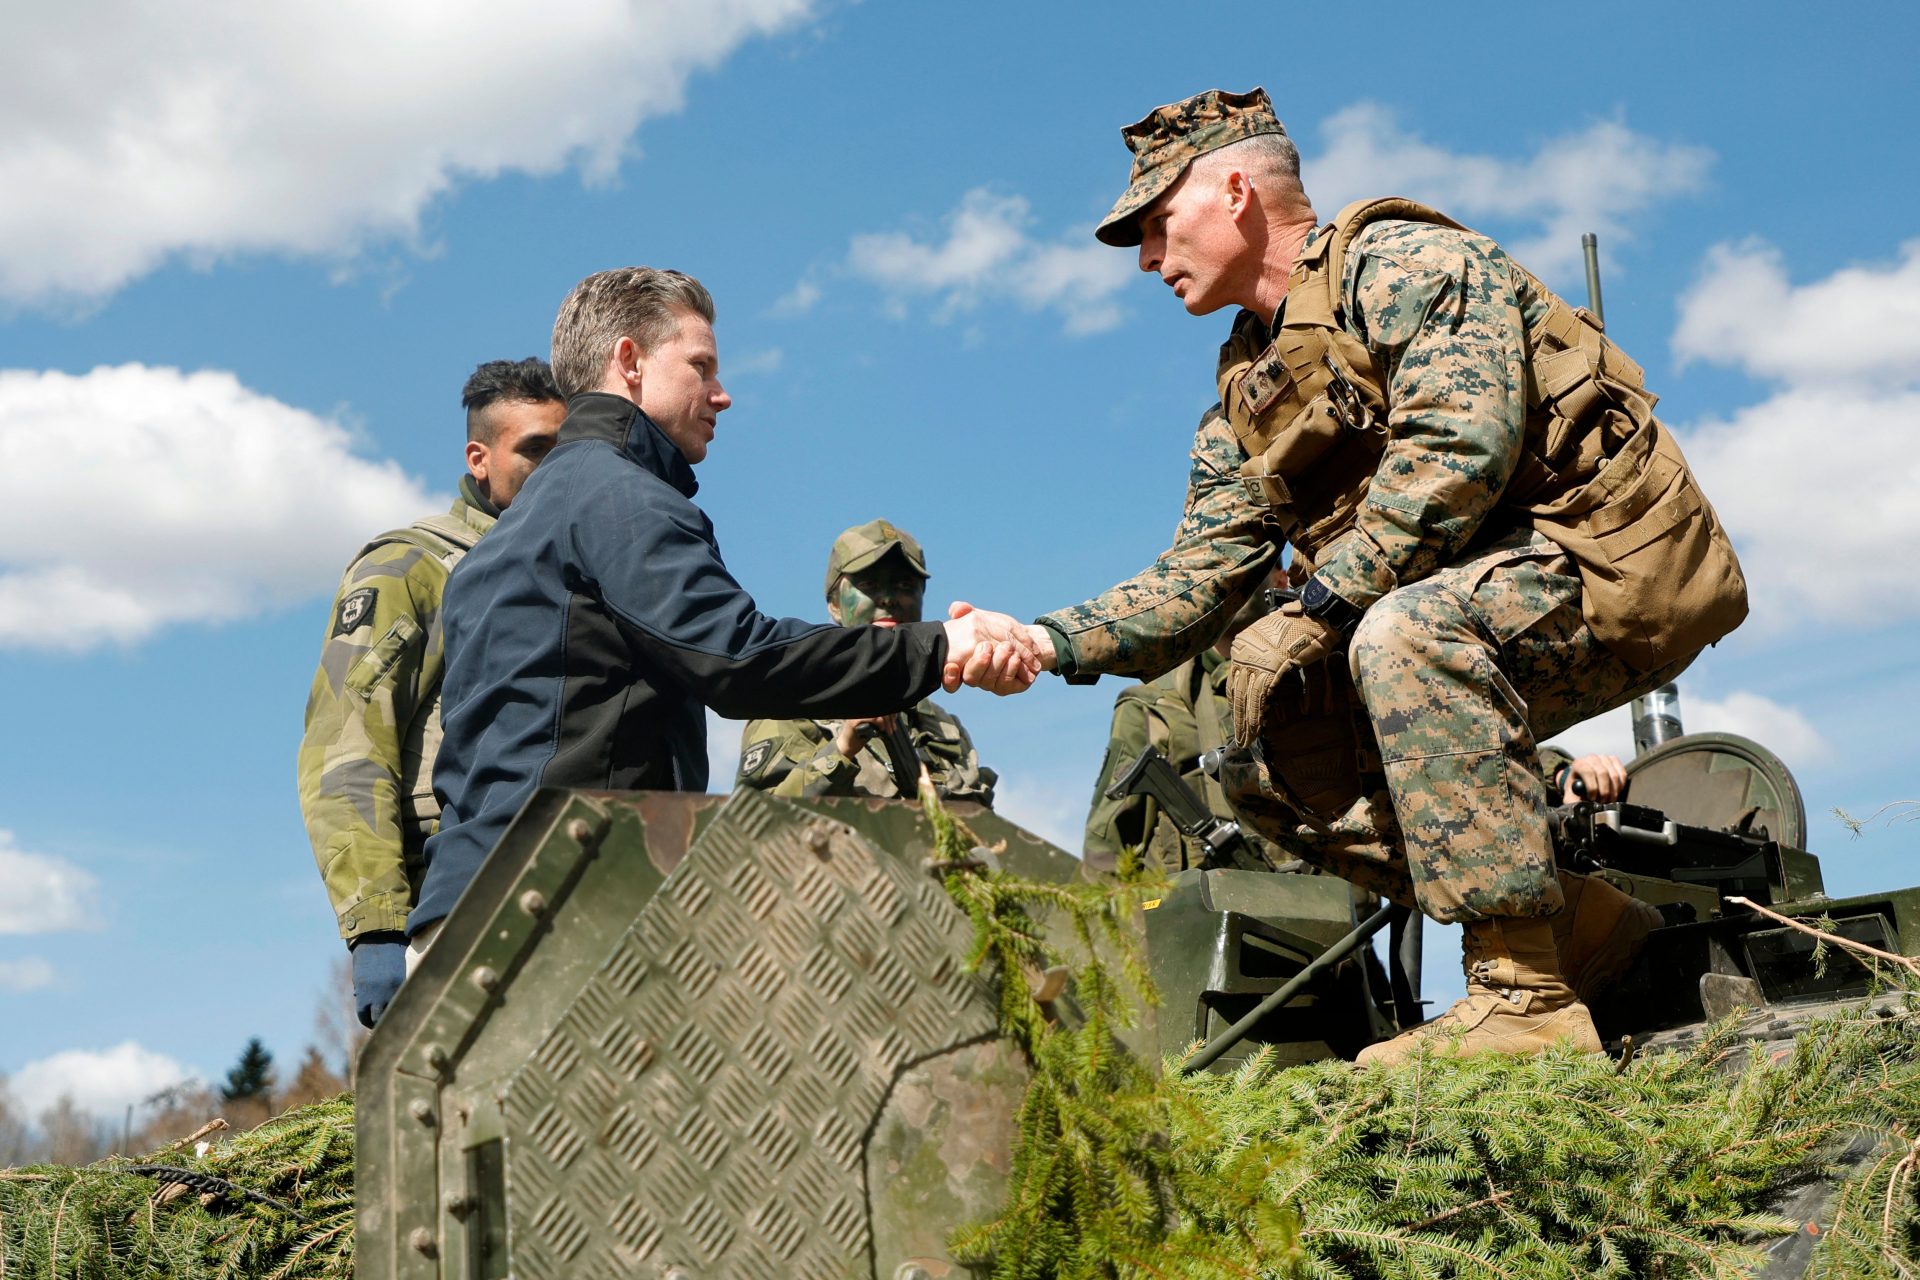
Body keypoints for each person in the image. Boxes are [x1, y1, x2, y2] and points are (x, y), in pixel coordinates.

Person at [1001, 88, 1746, 1063]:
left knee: (1397, 632)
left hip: (1616, 567)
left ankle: (1525, 1004)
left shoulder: (1399, 263)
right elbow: (1199, 574)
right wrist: (1043, 638)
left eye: (1155, 221)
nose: (1146, 255)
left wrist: (1314, 608)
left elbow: (1457, 449)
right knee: (1256, 742)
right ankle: (1583, 931)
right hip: (1485, 598)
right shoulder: (1249, 392)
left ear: (1234, 191)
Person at [413, 268, 1036, 963]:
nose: (723, 394)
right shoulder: (617, 496)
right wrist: (943, 644)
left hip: (462, 911)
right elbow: (741, 659)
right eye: (701, 366)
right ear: (630, 361)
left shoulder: (500, 541)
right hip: (560, 910)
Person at [297, 358, 565, 1027]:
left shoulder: (580, 566)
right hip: (446, 903)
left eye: (569, 450)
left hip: (565, 886)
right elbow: (347, 744)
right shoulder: (413, 568)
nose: (554, 467)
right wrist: (377, 929)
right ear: (480, 457)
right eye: (534, 449)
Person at [735, 519, 997, 805]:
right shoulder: (789, 707)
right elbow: (755, 824)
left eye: (905, 585)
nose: (888, 598)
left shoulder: (944, 728)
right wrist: (843, 748)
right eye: (869, 584)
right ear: (834, 604)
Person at [1083, 551, 1286, 873]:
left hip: (1351, 921)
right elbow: (1105, 858)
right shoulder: (1155, 708)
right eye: (1212, 566)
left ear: (1281, 578)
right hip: (1207, 917)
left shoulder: (1331, 678)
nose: (1229, 574)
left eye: (1245, 560)